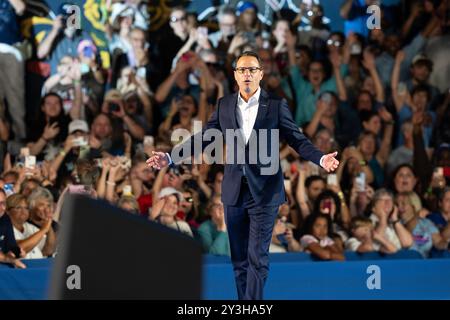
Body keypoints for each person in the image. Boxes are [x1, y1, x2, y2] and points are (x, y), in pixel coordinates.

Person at [146, 51, 339, 300]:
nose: (247, 74)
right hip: (234, 190)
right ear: (235, 75)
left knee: (256, 257)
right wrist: (171, 156)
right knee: (239, 260)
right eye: (242, 70)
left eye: (252, 70)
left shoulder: (277, 106)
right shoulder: (224, 105)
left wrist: (321, 158)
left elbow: (297, 140)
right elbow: (205, 137)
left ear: (260, 74)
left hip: (265, 191)